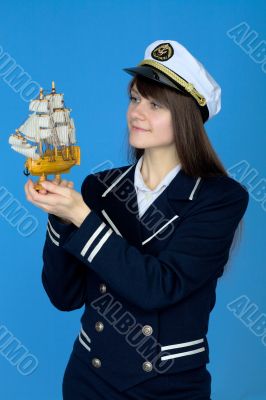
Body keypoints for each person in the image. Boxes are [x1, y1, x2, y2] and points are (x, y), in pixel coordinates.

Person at [24, 40, 249, 400]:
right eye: (134, 99)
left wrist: (80, 216)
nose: (136, 113)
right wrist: (61, 219)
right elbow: (63, 296)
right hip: (88, 380)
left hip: (169, 388)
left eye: (155, 104)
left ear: (188, 117)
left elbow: (158, 287)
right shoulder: (99, 187)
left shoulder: (220, 198)